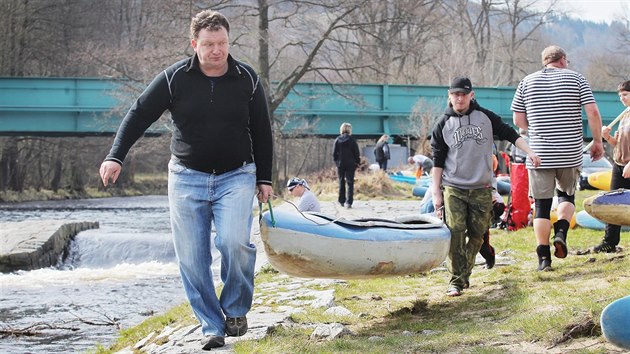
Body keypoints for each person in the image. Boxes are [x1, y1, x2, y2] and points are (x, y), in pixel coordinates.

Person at [98, 10, 273, 350]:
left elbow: (262, 132)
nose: (216, 50)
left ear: (228, 41)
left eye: (222, 43)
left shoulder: (247, 79)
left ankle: (235, 308)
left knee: (235, 242)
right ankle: (211, 325)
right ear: (195, 44)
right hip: (186, 177)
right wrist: (115, 155)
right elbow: (139, 113)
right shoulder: (174, 78)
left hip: (237, 175)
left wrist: (264, 178)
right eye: (208, 44)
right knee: (193, 257)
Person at [431, 76, 540, 297]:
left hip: (482, 187)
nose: (459, 98)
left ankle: (466, 271)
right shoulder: (443, 123)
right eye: (455, 94)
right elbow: (437, 161)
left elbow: (511, 134)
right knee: (455, 233)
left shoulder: (486, 118)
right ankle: (457, 280)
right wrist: (436, 193)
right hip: (453, 187)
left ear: (471, 95)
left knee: (478, 234)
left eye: (463, 94)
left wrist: (530, 152)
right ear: (449, 96)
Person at [511, 45, 604, 271]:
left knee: (541, 206)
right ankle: (561, 231)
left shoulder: (526, 82)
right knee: (566, 197)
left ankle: (544, 258)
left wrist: (536, 126)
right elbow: (592, 112)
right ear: (562, 60)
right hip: (569, 153)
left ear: (545, 61)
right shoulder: (576, 79)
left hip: (539, 154)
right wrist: (598, 141)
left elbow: (518, 120)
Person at [591, 80, 630, 253]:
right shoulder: (624, 115)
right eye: (620, 95)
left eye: (626, 94)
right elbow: (619, 144)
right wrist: (607, 137)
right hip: (619, 164)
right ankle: (610, 242)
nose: (622, 98)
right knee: (612, 202)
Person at [333, 122, 360, 209]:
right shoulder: (352, 140)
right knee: (350, 182)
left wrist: (336, 161)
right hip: (351, 163)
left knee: (341, 181)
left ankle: (341, 201)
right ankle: (349, 202)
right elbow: (356, 152)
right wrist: (357, 162)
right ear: (349, 130)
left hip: (340, 163)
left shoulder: (337, 139)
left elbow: (334, 153)